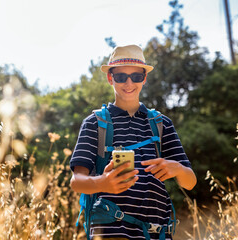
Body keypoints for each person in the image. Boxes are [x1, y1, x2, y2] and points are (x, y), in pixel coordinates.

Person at [69, 45, 197, 240]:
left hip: (158, 233)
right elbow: (77, 181)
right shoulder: (94, 123)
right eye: (121, 77)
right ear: (110, 78)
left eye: (136, 77)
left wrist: (177, 169)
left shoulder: (162, 124)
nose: (129, 83)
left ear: (144, 78)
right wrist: (102, 182)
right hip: (110, 233)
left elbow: (190, 182)